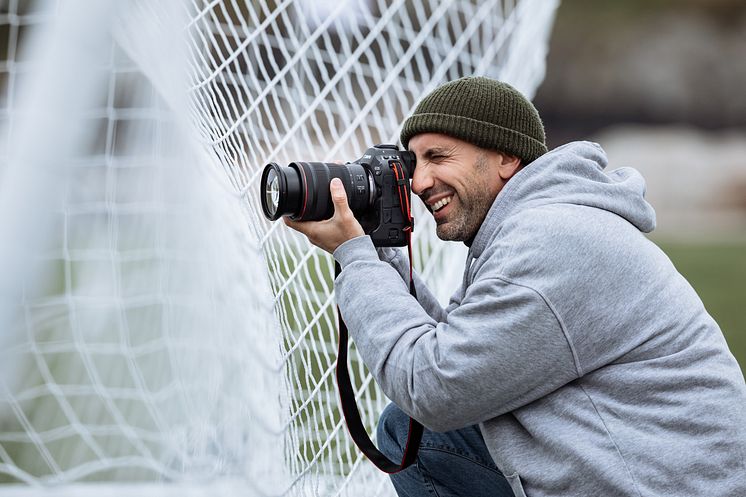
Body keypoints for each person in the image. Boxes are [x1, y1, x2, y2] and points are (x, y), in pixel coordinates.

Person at [284, 77, 746, 497]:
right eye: (413, 163)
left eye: (438, 158)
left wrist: (355, 256)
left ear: (506, 157)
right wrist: (374, 249)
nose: (420, 182)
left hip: (675, 485)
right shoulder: (534, 227)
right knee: (412, 431)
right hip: (653, 466)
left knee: (414, 431)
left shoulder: (551, 242)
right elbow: (464, 351)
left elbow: (433, 387)